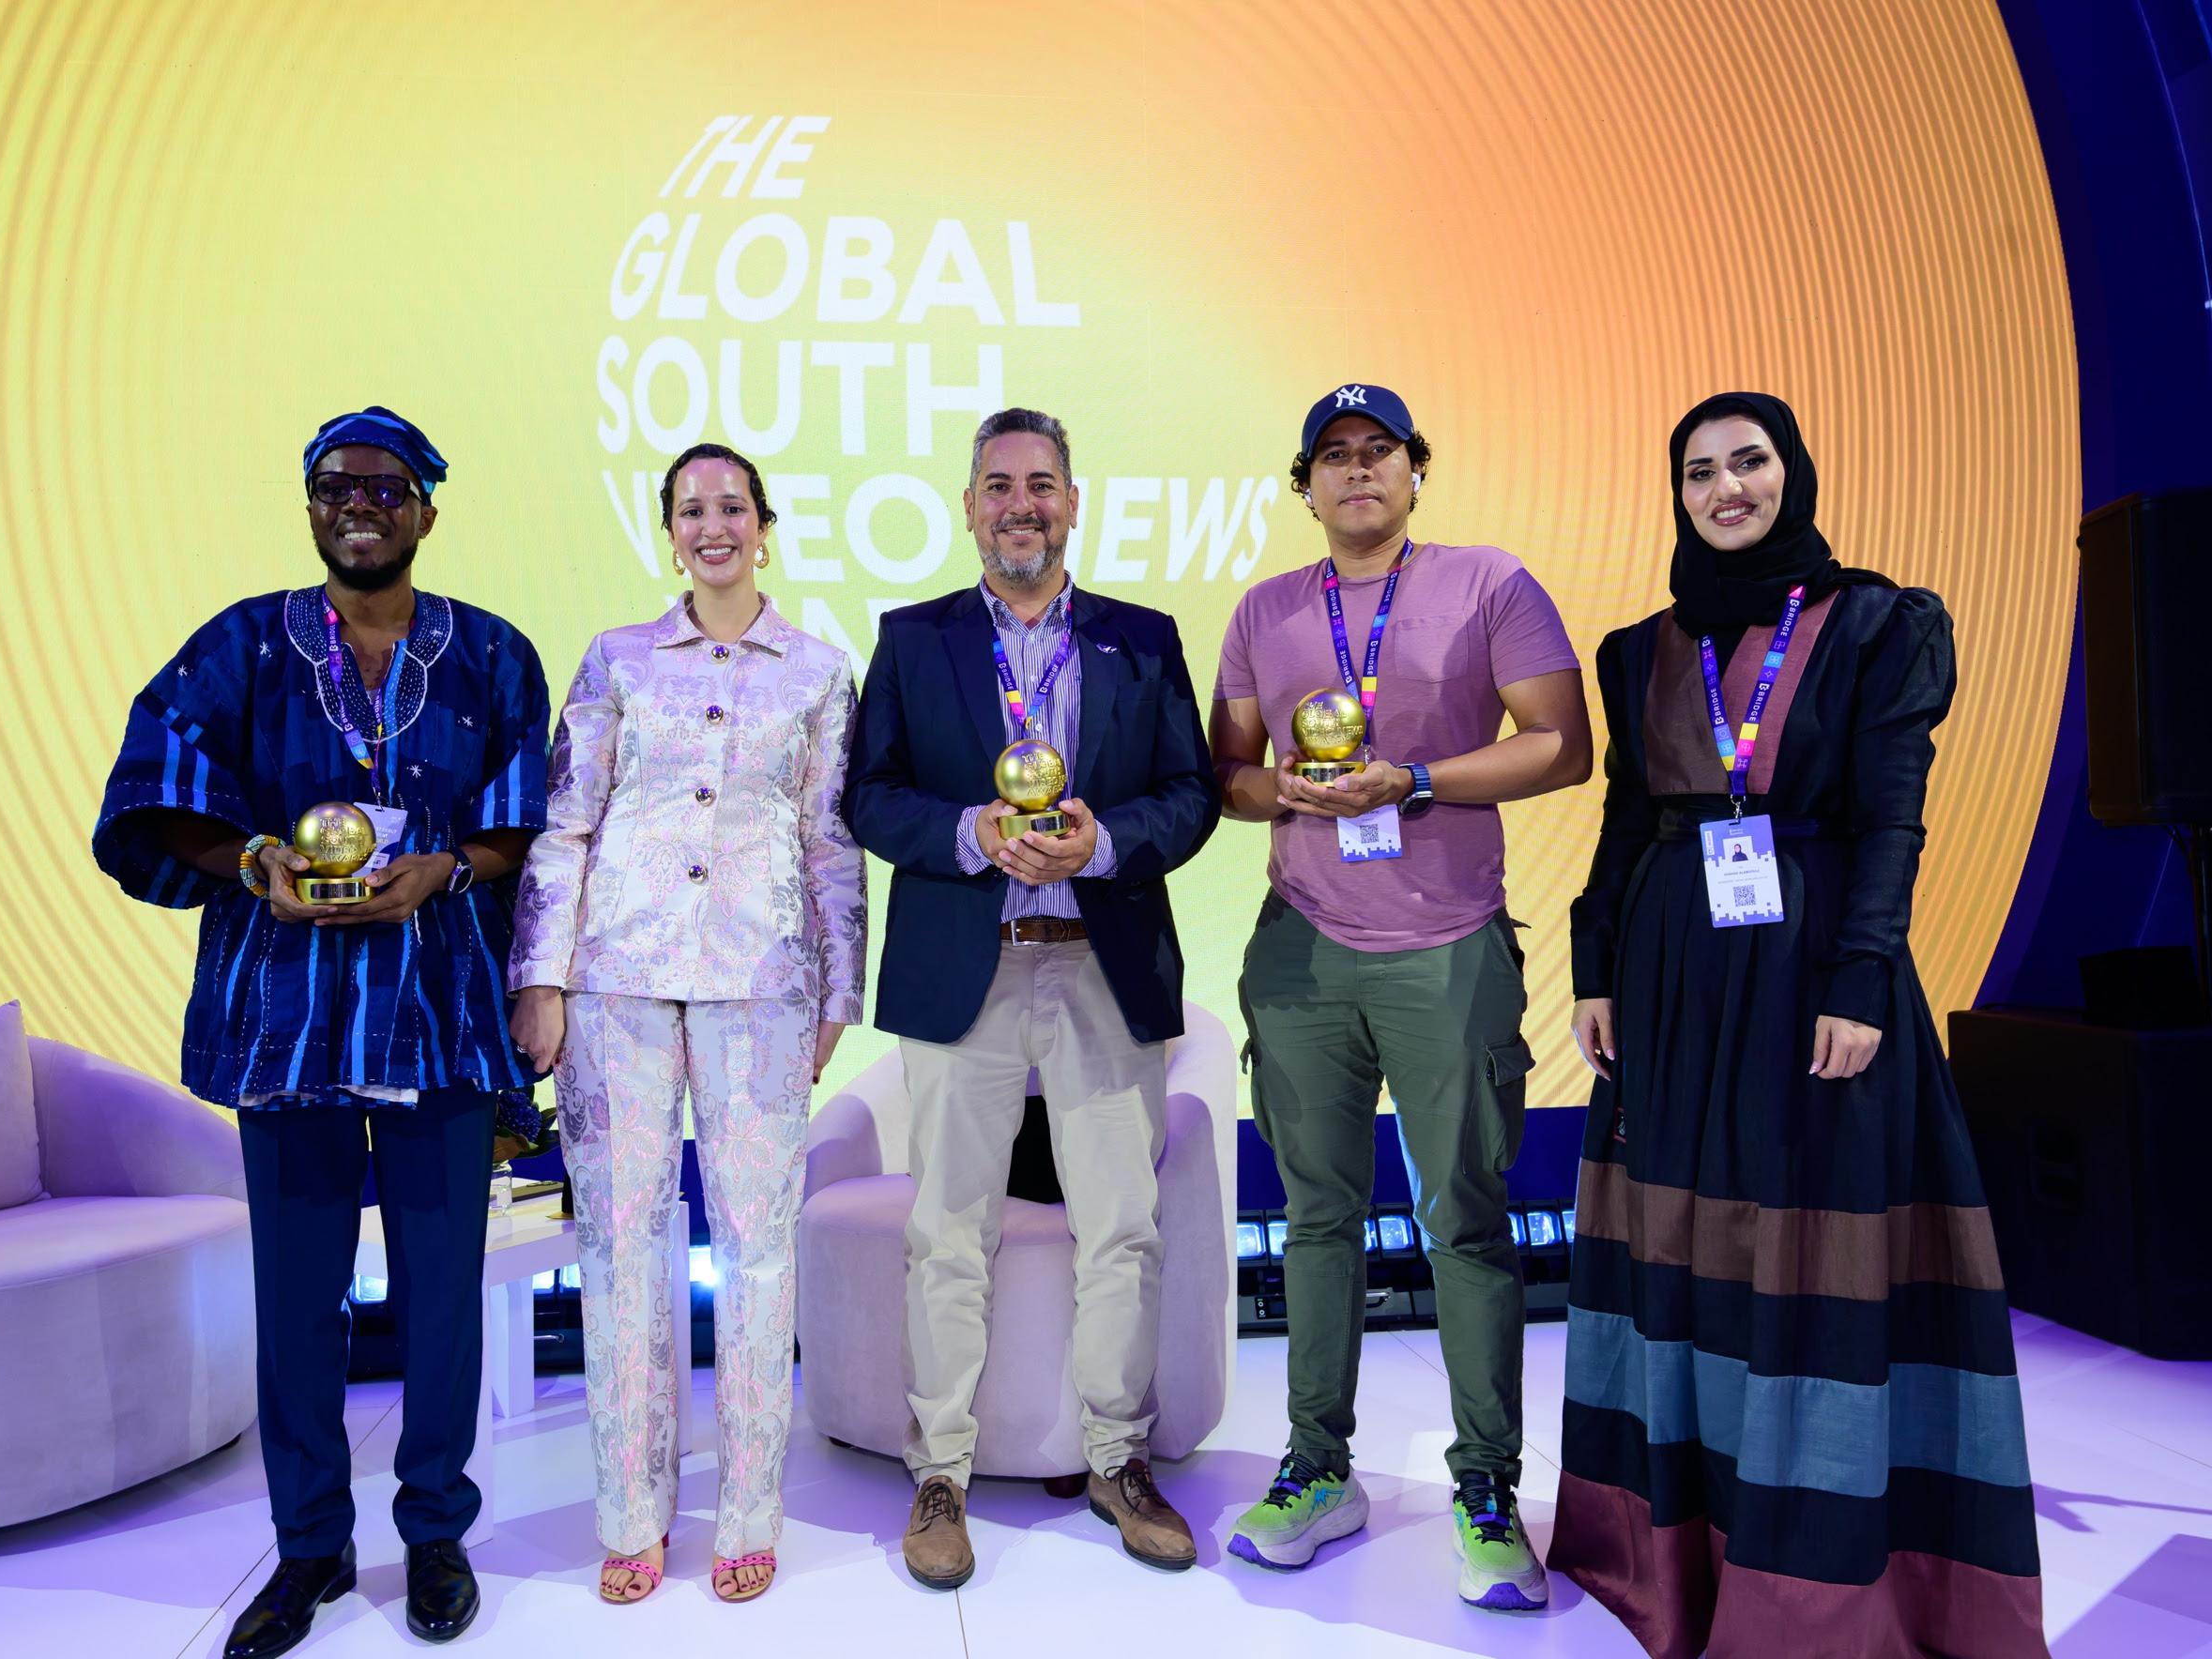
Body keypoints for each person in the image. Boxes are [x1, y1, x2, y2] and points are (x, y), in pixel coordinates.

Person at [1550, 393, 2046, 1657]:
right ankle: (1673, 1549)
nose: (1727, 489)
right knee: (1684, 1251)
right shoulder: (1639, 647)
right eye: (1699, 471)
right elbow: (1626, 823)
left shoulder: (1881, 623)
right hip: (1672, 980)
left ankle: (1807, 1579)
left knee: (1809, 1252)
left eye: (1750, 461)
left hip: (1811, 969)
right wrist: (1595, 969)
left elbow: (1892, 820)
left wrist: (1860, 980)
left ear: (1794, 472)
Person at [92, 407, 548, 1654]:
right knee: (298, 1304)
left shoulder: (493, 653)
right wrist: (253, 861)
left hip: (442, 1020)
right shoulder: (238, 646)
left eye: (387, 487)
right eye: (338, 485)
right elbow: (153, 795)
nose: (361, 504)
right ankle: (309, 1551)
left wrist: (448, 867)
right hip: (286, 1026)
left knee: (442, 1299)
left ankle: (436, 1531)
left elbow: (537, 821)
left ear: (426, 510)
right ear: (310, 506)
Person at [1211, 384, 1591, 1608]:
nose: (1358, 470)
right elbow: (1229, 773)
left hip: (1450, 946)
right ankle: (1318, 1470)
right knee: (1317, 1219)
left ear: (1415, 471)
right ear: (1306, 486)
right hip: (1302, 950)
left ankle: (1487, 1490)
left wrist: (1412, 779)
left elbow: (1562, 743)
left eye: (1380, 451)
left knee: (1464, 1221)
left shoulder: (1489, 583)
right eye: (1334, 456)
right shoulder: (1266, 609)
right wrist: (1288, 792)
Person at [845, 407, 1219, 1588]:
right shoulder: (912, 639)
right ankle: (940, 1474)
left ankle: (1118, 1459)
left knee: (1124, 1228)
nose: (1022, 505)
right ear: (969, 508)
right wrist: (969, 831)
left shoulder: (1142, 640)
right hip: (970, 964)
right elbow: (870, 796)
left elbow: (1192, 796)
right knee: (947, 1231)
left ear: (1073, 503)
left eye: (1042, 484)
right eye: (999, 485)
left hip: (1103, 959)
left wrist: (1104, 843)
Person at [506, 442, 865, 1606]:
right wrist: (540, 976)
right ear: (669, 532)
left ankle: (749, 1513)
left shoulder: (820, 672)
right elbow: (566, 822)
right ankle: (631, 1513)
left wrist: (839, 991)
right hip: (614, 977)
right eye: (692, 509)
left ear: (765, 525)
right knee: (621, 1246)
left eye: (733, 506)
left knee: (758, 1250)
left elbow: (830, 841)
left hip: (763, 979)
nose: (714, 525)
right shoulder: (616, 659)